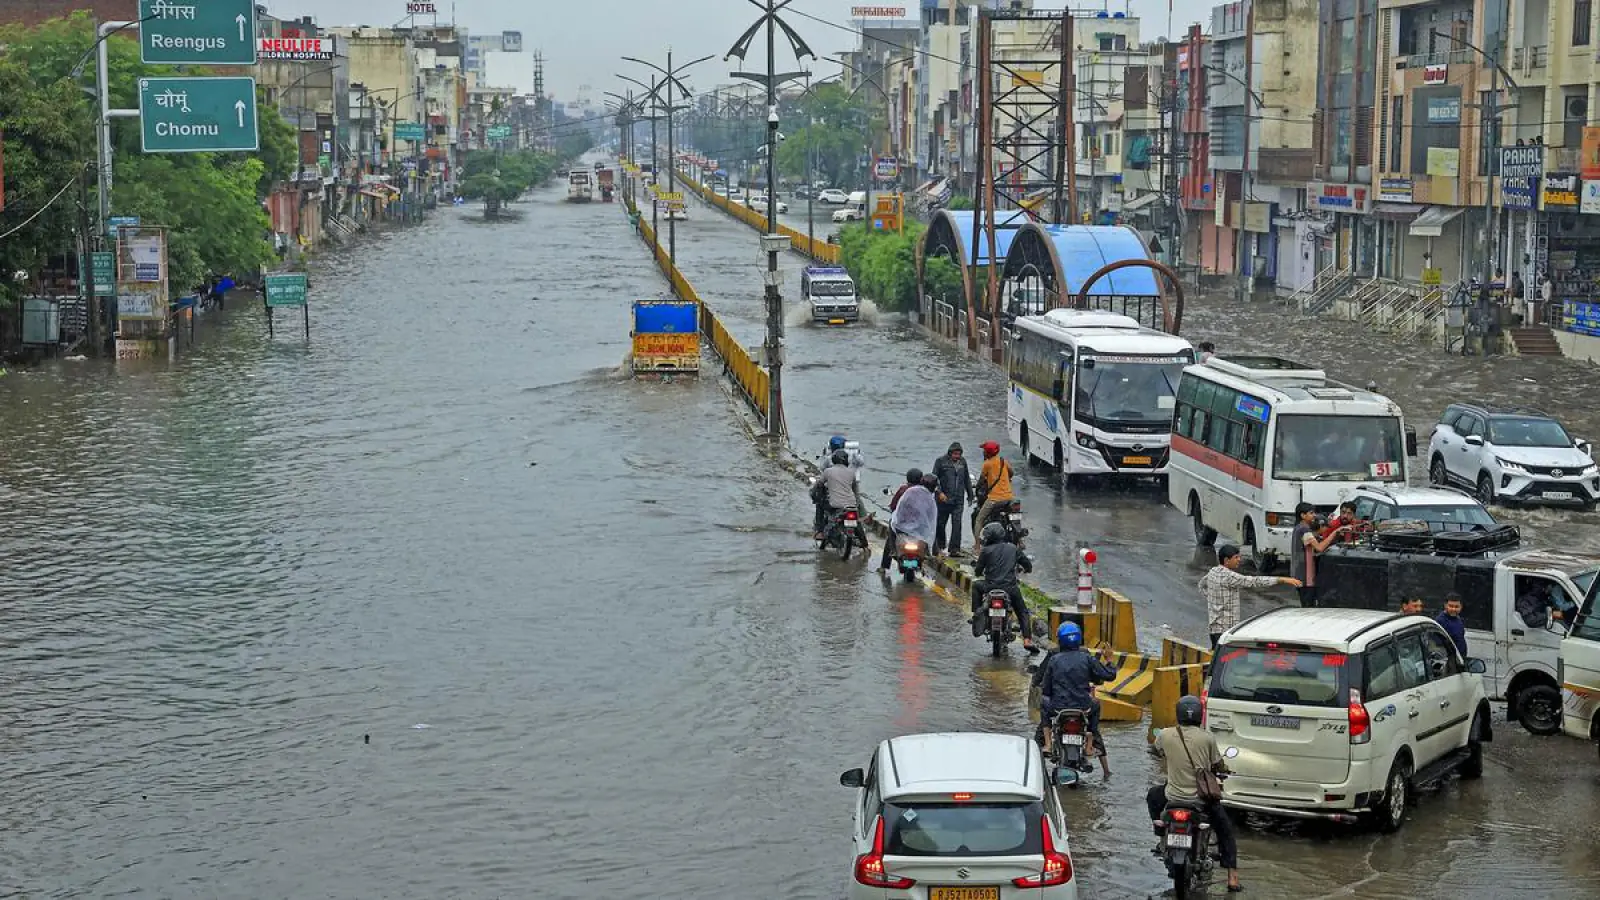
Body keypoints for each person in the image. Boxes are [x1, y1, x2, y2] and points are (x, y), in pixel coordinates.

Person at [1148, 695, 1241, 893]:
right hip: (1200, 800)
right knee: (1225, 829)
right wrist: (1223, 769)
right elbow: (1217, 764)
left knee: (1152, 796)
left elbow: (1156, 750)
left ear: (1178, 714)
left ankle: (1160, 835)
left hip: (1172, 796)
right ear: (1200, 715)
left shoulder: (1165, 735)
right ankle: (1232, 878)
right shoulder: (1207, 738)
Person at [1033, 621, 1115, 777]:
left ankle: (1048, 744)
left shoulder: (1054, 659)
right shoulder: (1087, 658)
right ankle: (1089, 746)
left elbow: (1047, 689)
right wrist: (1109, 660)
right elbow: (1109, 675)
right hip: (1083, 708)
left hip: (1058, 708)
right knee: (1096, 705)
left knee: (1044, 701)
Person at [1199, 545, 1302, 649]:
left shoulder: (1213, 572)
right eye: (1236, 557)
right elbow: (1254, 581)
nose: (1239, 560)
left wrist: (1213, 600)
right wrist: (1282, 579)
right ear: (1226, 560)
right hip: (1226, 632)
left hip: (1214, 630)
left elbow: (1201, 585)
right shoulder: (1229, 576)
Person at [970, 522, 1037, 652]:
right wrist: (1028, 569)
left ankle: (977, 614)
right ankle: (1027, 640)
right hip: (1010, 588)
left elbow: (978, 571)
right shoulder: (1013, 548)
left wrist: (979, 572)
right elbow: (1027, 564)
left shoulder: (985, 551)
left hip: (990, 587)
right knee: (1022, 612)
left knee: (976, 585)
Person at [1291, 502, 1350, 607]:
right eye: (1311, 513)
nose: (1314, 515)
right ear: (1303, 515)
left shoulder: (1298, 528)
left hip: (1299, 574)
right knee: (1308, 607)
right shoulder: (1304, 530)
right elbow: (1319, 547)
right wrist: (1335, 532)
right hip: (1305, 577)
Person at [932, 442, 975, 556]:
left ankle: (954, 549)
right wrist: (939, 493)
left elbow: (966, 479)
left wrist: (970, 495)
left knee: (957, 524)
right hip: (944, 499)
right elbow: (934, 479)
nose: (957, 456)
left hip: (958, 499)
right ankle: (940, 546)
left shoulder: (963, 462)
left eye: (959, 454)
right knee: (940, 524)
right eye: (955, 454)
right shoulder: (940, 461)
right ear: (950, 453)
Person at [887, 472, 938, 568]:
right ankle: (931, 552)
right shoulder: (929, 497)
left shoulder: (906, 490)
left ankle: (891, 553)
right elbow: (932, 517)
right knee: (932, 528)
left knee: (891, 524)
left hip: (903, 526)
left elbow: (896, 506)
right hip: (919, 528)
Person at [972, 440, 1015, 543]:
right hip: (1009, 497)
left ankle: (977, 546)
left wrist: (976, 489)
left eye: (984, 450)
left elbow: (982, 480)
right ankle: (1020, 541)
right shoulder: (1003, 461)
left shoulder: (987, 464)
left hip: (995, 499)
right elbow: (1012, 472)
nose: (983, 452)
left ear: (987, 453)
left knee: (979, 519)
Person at [881, 469, 924, 570]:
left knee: (890, 534)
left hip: (901, 524)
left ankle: (885, 564)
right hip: (917, 525)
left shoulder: (903, 489)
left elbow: (893, 505)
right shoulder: (924, 491)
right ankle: (929, 552)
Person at [811, 450, 860, 539]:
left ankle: (820, 532)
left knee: (819, 505)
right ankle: (864, 545)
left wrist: (814, 494)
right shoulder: (852, 473)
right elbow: (856, 491)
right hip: (851, 505)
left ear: (834, 460)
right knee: (857, 522)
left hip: (835, 505)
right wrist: (857, 503)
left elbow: (819, 485)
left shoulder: (828, 471)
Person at [1436, 593, 1468, 658]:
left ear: (1461, 607)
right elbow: (1438, 646)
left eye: (1456, 607)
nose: (1453, 609)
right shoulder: (1440, 621)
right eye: (1451, 606)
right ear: (1445, 605)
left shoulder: (1458, 619)